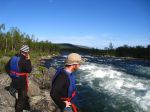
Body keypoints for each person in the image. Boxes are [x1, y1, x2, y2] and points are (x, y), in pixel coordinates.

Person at [5, 45, 32, 112]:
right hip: (22, 83)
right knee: (21, 99)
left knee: (20, 96)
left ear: (20, 51)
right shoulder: (24, 61)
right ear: (26, 53)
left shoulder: (13, 58)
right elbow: (29, 70)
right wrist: (29, 60)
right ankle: (20, 110)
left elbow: (6, 67)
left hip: (14, 81)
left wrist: (12, 75)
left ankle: (25, 107)